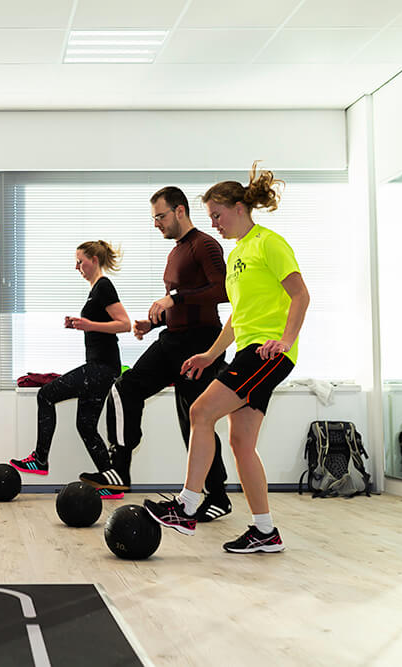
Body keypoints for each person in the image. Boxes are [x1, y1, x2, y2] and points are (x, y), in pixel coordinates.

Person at [144, 162, 310, 554]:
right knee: (240, 442)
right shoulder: (238, 255)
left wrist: (285, 341)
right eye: (210, 218)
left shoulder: (269, 243)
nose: (214, 223)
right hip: (249, 349)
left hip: (268, 353)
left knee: (200, 412)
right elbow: (239, 317)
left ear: (240, 207)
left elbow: (301, 295)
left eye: (217, 215)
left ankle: (186, 506)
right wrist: (209, 354)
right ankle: (265, 531)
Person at [80, 187, 233, 522]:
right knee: (128, 389)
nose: (156, 224)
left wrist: (173, 300)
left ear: (180, 211)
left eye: (160, 217)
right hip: (175, 337)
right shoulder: (176, 252)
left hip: (201, 343)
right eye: (154, 219)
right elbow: (182, 301)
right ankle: (120, 468)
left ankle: (217, 495)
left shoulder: (205, 244)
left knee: (194, 420)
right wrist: (153, 322)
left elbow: (221, 289)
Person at [10, 241, 131, 498]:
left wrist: (88, 323)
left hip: (101, 367)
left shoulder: (103, 286)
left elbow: (124, 324)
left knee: (46, 395)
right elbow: (101, 323)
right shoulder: (95, 290)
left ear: (94, 260)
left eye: (80, 261)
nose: (77, 267)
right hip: (102, 368)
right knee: (86, 426)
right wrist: (80, 324)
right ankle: (112, 482)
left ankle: (40, 460)